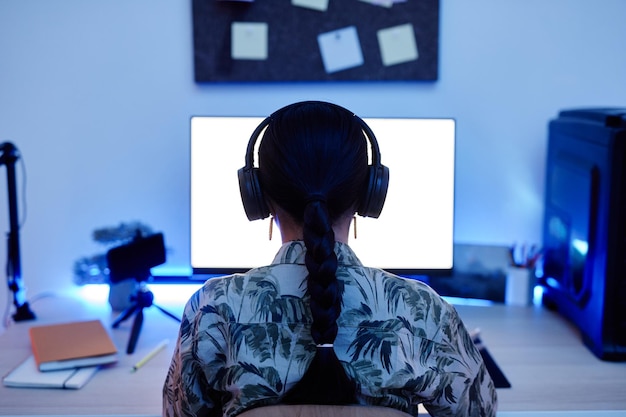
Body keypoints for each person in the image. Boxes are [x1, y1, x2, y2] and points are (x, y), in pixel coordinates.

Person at [163, 101, 497, 417]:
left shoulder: (212, 308)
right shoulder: (422, 309)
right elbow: (480, 412)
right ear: (369, 193)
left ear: (257, 196)